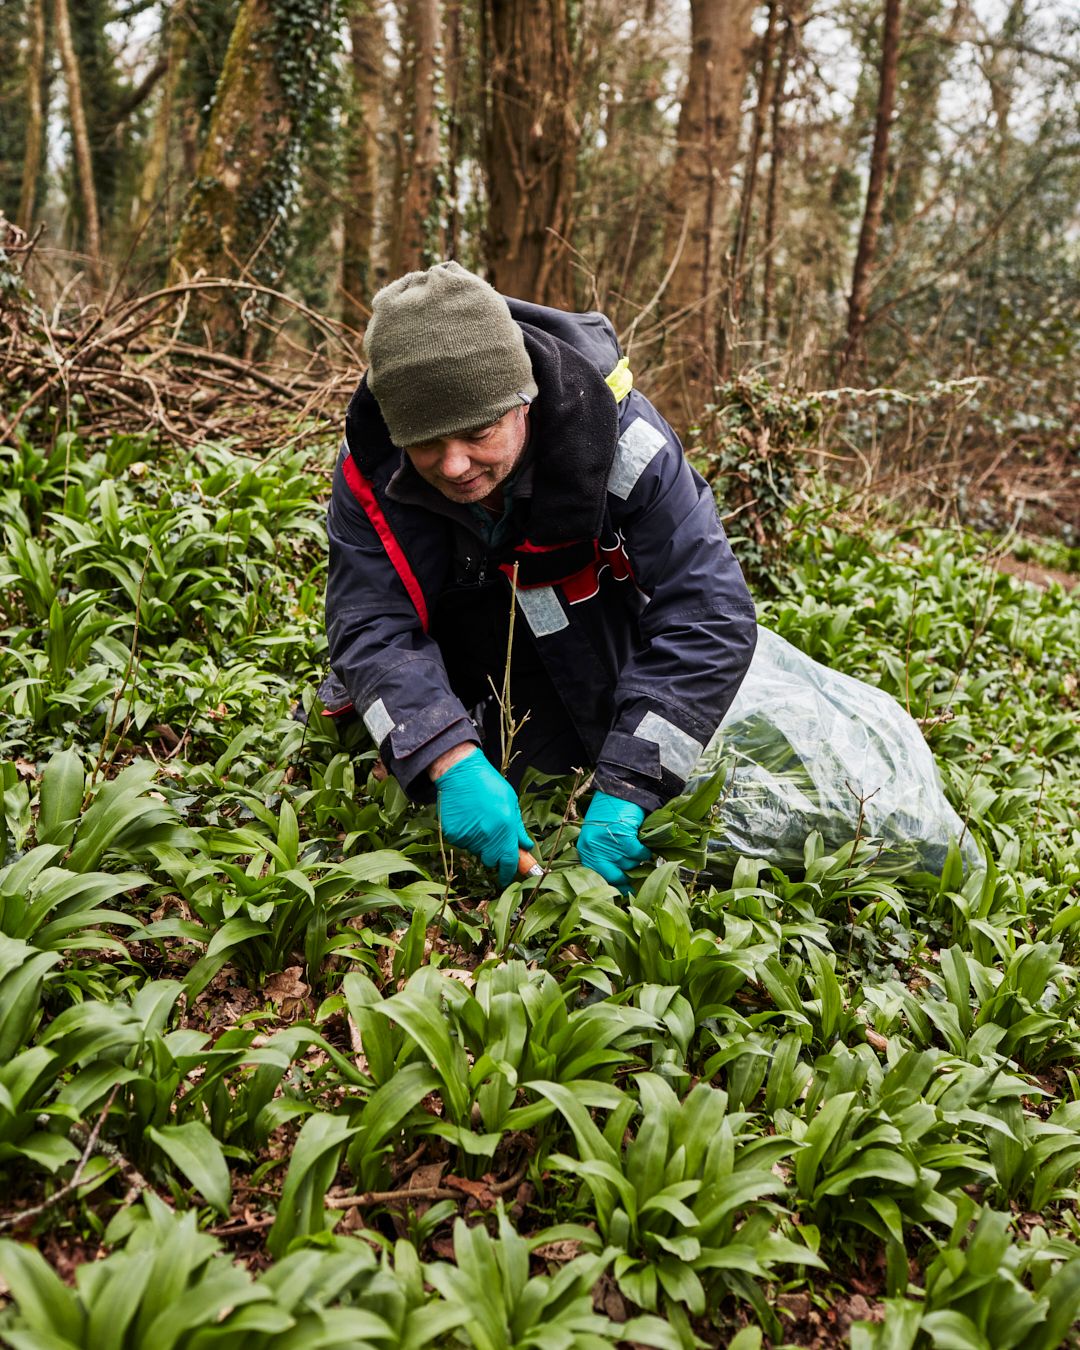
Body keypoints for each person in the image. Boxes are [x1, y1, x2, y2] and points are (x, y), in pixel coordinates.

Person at [322, 261, 757, 892]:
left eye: (478, 432)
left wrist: (635, 781)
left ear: (523, 398)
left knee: (585, 763)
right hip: (464, 634)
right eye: (425, 444)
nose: (454, 465)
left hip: (590, 629)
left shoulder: (625, 439)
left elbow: (710, 611)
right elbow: (367, 620)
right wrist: (447, 758)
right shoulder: (370, 464)